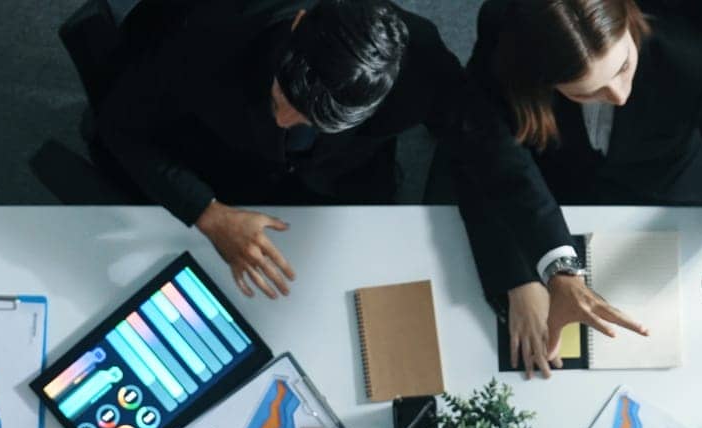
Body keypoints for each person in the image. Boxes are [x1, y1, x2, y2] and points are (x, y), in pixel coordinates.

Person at [456, 0, 702, 378]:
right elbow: (487, 154)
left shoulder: (699, 58)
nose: (619, 95)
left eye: (623, 66)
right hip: (552, 185)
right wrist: (520, 277)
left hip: (667, 192)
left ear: (628, 21)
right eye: (585, 92)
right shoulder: (506, 33)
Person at [98, 0, 461, 302]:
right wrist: (208, 214)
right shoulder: (205, 38)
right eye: (279, 100)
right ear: (298, 21)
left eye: (310, 121)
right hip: (229, 172)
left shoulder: (422, 63)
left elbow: (479, 137)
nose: (285, 122)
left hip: (344, 181)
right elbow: (118, 125)